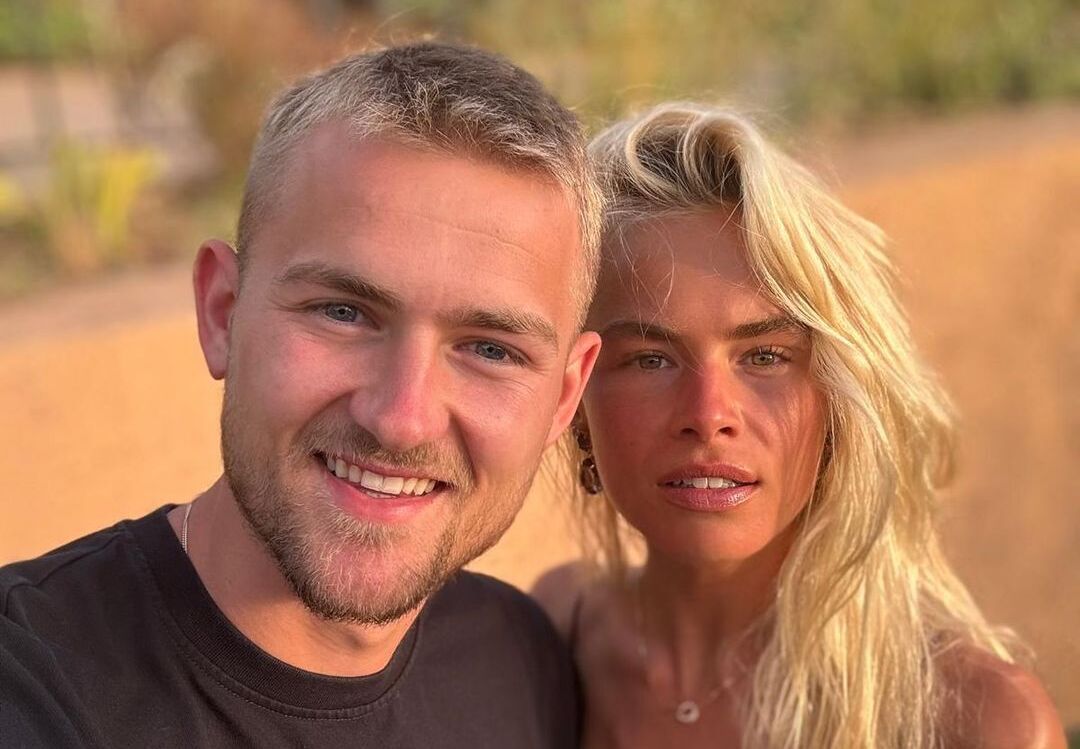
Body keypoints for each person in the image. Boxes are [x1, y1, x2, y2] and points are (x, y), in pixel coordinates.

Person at [0, 42, 603, 747]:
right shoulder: (33, 691)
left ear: (565, 396)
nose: (402, 418)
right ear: (223, 312)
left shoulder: (522, 661)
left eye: (491, 349)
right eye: (343, 312)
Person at [533, 103, 1066, 749]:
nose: (709, 415)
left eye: (765, 356)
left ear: (840, 395)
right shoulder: (554, 635)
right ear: (577, 401)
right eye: (650, 359)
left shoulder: (975, 721)